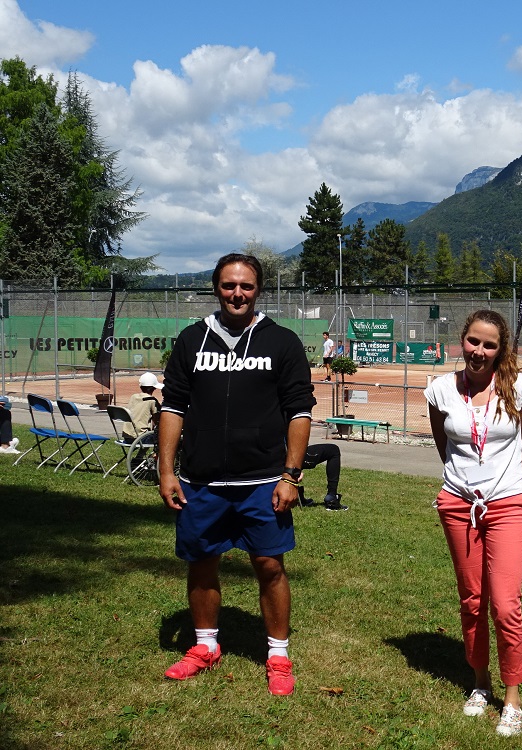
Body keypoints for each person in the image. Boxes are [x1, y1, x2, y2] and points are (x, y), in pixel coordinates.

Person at [158, 253, 315, 696]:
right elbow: (173, 408)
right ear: (216, 288)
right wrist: (166, 469)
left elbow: (299, 412)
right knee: (202, 563)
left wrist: (291, 475)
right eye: (229, 285)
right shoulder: (192, 340)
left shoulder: (281, 342)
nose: (237, 294)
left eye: (246, 286)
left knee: (269, 565)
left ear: (259, 289)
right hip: (201, 481)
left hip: (262, 480)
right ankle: (205, 645)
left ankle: (278, 654)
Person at [424, 309, 522, 738]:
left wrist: (503, 486)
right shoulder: (439, 389)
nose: (479, 351)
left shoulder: (519, 388)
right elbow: (444, 443)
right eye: (473, 341)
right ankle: (480, 683)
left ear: (500, 349)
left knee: (505, 603)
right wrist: (464, 484)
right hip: (457, 504)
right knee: (472, 600)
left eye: (489, 345)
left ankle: (512, 698)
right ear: (462, 340)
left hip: (506, 505)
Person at [297, 443, 348, 511]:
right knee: (333, 450)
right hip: (291, 455)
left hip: (281, 457)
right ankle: (332, 498)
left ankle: (296, 495)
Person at [123, 372, 163, 441]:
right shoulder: (152, 401)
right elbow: (157, 419)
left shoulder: (133, 397)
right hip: (141, 437)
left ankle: (142, 452)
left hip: (127, 436)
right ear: (154, 388)